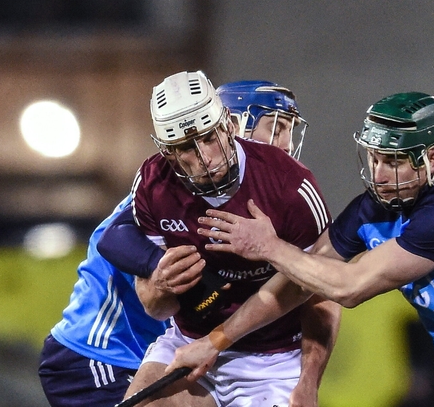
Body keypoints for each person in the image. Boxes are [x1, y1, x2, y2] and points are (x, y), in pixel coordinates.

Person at [170, 92, 434, 406]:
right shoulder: (373, 208)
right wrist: (215, 341)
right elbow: (300, 281)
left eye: (394, 161)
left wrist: (270, 246)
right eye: (374, 159)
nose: (379, 174)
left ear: (432, 158)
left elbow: (349, 288)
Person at [39, 72, 338, 406]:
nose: (286, 144)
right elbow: (124, 259)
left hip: (245, 354)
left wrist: (272, 250)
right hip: (109, 350)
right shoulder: (158, 186)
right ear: (233, 124)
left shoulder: (290, 186)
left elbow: (324, 290)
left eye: (289, 131)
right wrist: (158, 270)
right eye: (276, 128)